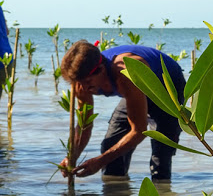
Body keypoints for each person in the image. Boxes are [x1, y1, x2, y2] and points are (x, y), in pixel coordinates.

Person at [60, 40, 186, 181]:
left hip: (168, 89)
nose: (83, 89)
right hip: (135, 91)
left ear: (101, 70)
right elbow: (85, 126)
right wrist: (71, 157)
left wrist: (100, 161)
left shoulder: (126, 75)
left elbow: (139, 131)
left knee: (160, 156)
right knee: (110, 145)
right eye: (79, 83)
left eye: (88, 83)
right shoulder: (81, 84)